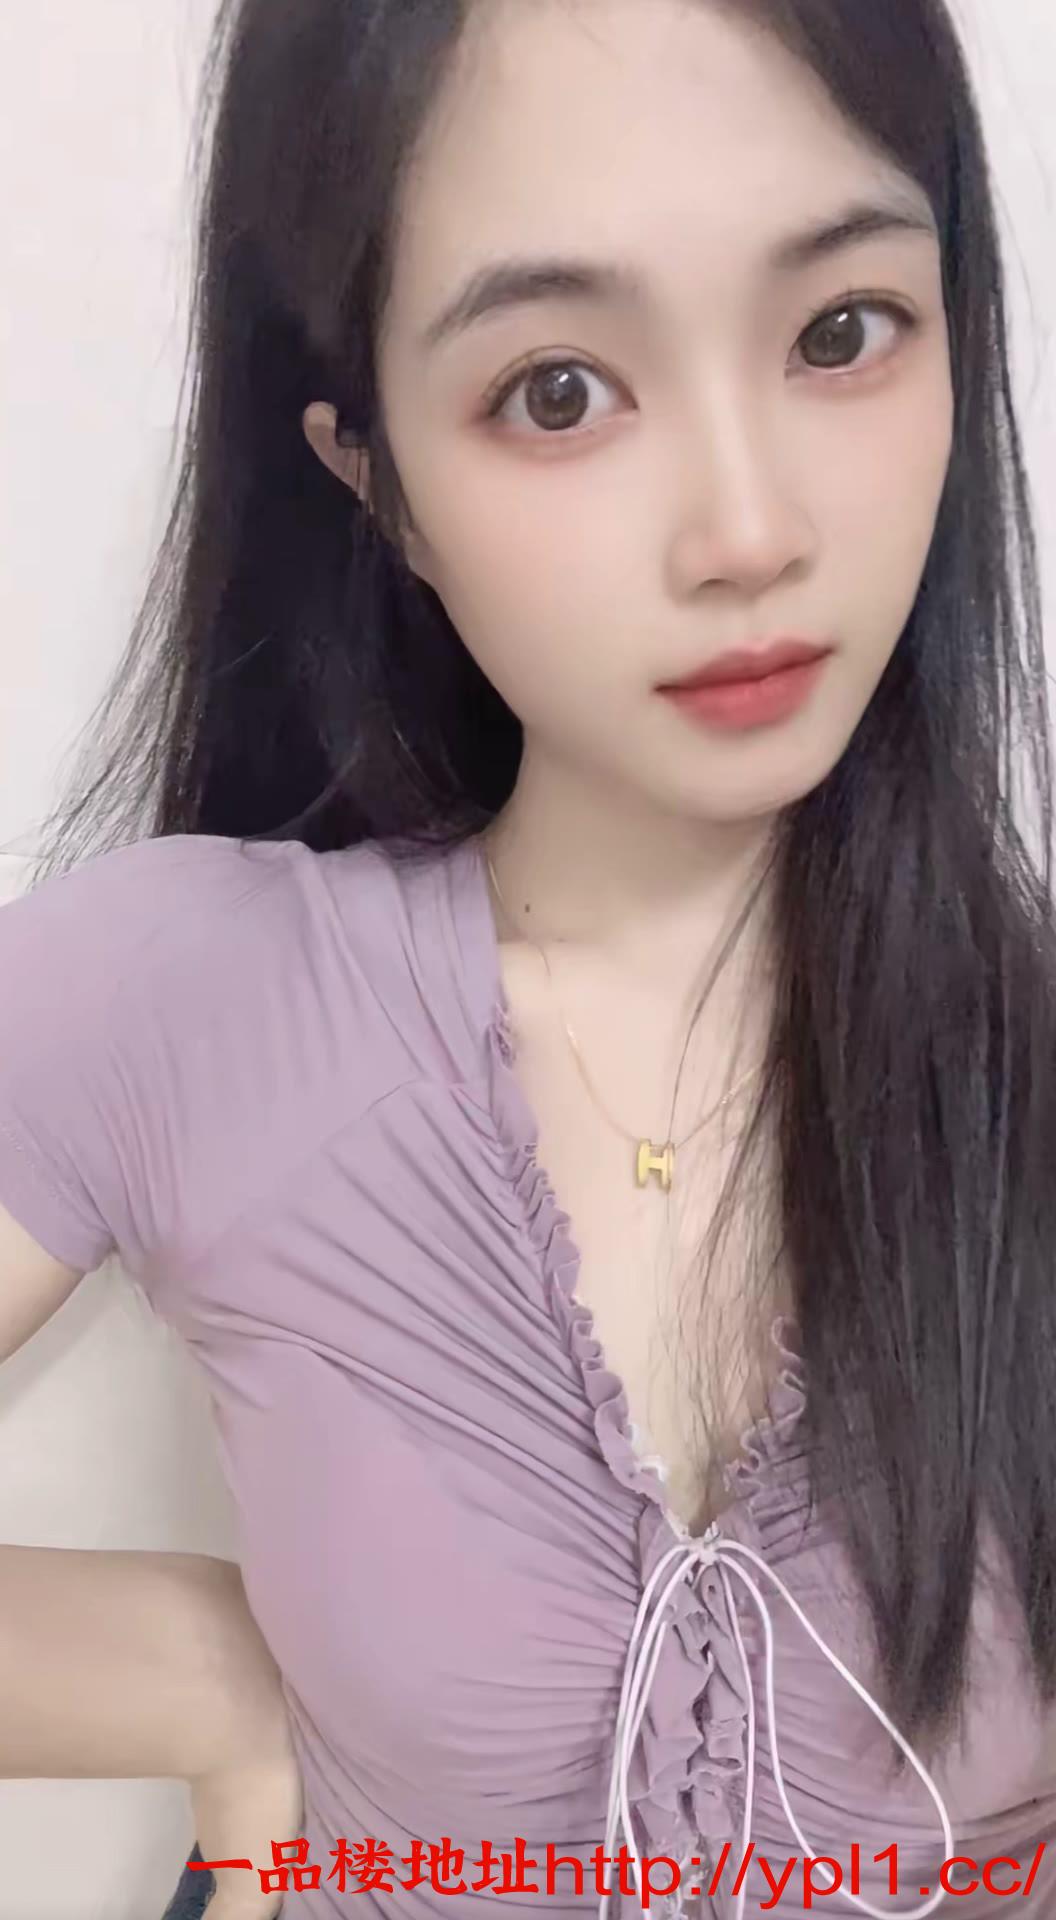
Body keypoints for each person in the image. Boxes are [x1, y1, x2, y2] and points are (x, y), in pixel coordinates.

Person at [1, 0, 1054, 1914]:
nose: (748, 530)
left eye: (840, 332)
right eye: (558, 389)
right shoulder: (185, 1002)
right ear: (374, 474)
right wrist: (201, 1679)